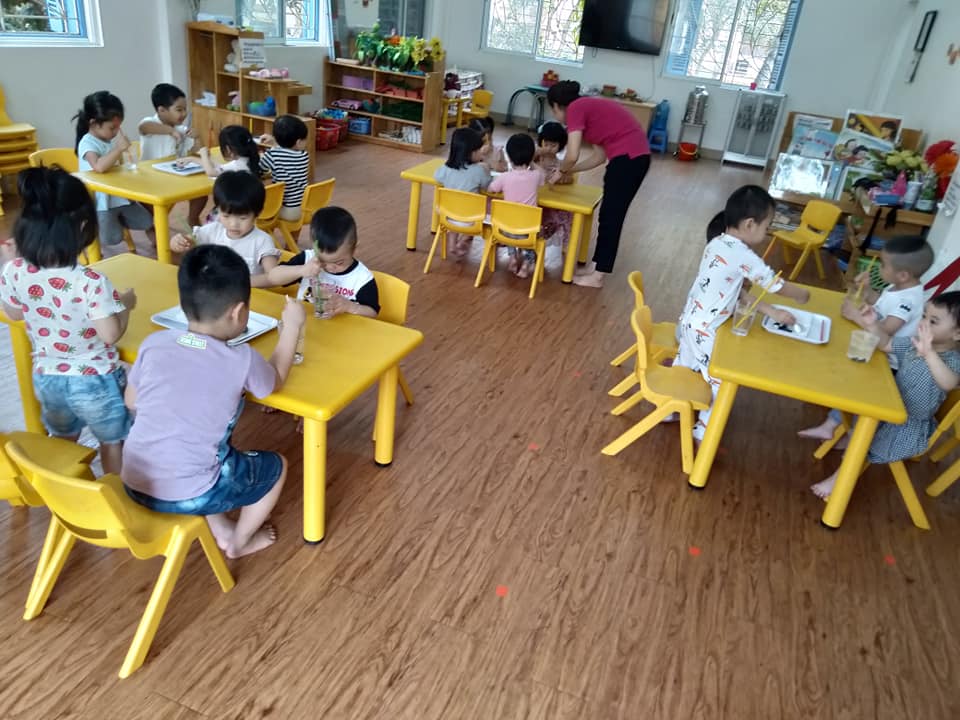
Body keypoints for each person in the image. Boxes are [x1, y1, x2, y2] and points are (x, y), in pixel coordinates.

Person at [122, 244, 305, 558]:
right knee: (275, 467)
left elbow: (132, 401)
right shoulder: (241, 358)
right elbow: (272, 382)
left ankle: (221, 529)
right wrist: (293, 328)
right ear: (238, 312)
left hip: (135, 482)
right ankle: (239, 542)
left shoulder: (154, 343)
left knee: (199, 450)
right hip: (189, 493)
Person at [0, 167, 136, 474]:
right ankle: (115, 492)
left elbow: (15, 313)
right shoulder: (90, 281)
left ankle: (61, 486)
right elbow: (110, 334)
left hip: (48, 377)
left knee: (63, 439)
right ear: (84, 226)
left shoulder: (14, 270)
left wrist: (11, 262)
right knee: (112, 442)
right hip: (94, 380)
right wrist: (125, 305)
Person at [675, 185, 811, 441]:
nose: (767, 233)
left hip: (690, 321)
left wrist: (771, 311)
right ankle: (704, 432)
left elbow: (735, 293)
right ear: (750, 224)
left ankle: (669, 409)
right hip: (707, 329)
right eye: (767, 227)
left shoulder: (717, 242)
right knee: (721, 381)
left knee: (683, 367)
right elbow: (774, 284)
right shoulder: (742, 254)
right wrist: (801, 294)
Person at [811, 293, 960, 500]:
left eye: (933, 321)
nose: (923, 324)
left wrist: (929, 354)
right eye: (924, 316)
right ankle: (852, 438)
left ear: (957, 334)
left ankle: (839, 478)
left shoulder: (952, 360)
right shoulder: (915, 343)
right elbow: (886, 344)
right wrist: (872, 324)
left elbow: (949, 382)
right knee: (861, 402)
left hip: (906, 426)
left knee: (864, 441)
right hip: (889, 407)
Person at [799, 236, 934, 444]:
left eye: (883, 264)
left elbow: (886, 330)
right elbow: (881, 302)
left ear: (903, 274)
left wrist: (856, 316)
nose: (879, 267)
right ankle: (836, 425)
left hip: (890, 365)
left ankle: (846, 433)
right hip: (875, 350)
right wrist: (867, 290)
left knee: (857, 389)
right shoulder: (899, 287)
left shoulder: (908, 300)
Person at [545, 80, 651, 288]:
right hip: (633, 159)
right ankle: (596, 267)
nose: (554, 115)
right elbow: (599, 157)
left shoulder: (575, 109)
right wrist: (569, 170)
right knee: (608, 215)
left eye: (553, 110)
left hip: (628, 160)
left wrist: (561, 171)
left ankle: (598, 276)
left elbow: (572, 155)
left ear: (557, 106)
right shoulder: (587, 108)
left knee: (612, 217)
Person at [170, 171, 319, 288]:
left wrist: (241, 282)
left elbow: (273, 277)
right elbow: (185, 246)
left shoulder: (262, 241)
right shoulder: (211, 231)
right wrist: (178, 243)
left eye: (242, 218)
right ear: (217, 210)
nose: (233, 224)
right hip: (215, 295)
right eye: (226, 216)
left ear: (257, 214)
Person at [75, 90, 156, 250]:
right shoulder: (87, 142)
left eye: (118, 127)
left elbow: (116, 166)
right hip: (101, 202)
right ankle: (91, 225)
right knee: (112, 239)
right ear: (93, 124)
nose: (116, 132)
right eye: (112, 128)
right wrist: (118, 149)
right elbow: (98, 167)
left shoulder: (108, 139)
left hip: (119, 195)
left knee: (146, 221)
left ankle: (117, 220)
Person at [285, 206, 379, 318]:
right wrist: (301, 270)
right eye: (322, 261)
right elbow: (272, 277)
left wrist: (351, 307)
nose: (329, 268)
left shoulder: (362, 278)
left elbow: (372, 313)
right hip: (304, 324)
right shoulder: (307, 260)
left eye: (339, 263)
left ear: (354, 249)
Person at [138, 82, 206, 228]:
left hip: (174, 176)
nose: (184, 114)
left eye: (185, 109)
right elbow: (144, 127)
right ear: (161, 110)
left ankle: (192, 218)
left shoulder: (182, 129)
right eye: (179, 110)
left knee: (201, 193)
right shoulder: (150, 123)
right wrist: (171, 131)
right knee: (152, 216)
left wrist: (198, 138)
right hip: (150, 179)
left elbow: (199, 153)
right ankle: (154, 229)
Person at [488, 133, 544, 279]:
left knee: (510, 226)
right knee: (535, 234)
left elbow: (491, 189)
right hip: (528, 231)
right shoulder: (535, 176)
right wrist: (532, 162)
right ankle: (526, 265)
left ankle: (512, 257)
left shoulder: (504, 177)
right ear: (531, 156)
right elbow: (543, 175)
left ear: (509, 157)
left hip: (505, 230)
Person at [434, 127, 492, 257]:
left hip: (447, 216)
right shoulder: (479, 171)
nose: (481, 153)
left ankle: (452, 244)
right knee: (486, 207)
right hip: (471, 220)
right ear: (470, 152)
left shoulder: (446, 168)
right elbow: (487, 186)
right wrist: (486, 169)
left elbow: (437, 176)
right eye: (478, 150)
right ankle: (464, 240)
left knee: (456, 207)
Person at [259, 114, 311, 221]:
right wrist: (275, 144)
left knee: (259, 207)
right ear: (298, 142)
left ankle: (264, 230)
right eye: (305, 139)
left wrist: (262, 155)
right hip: (305, 207)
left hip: (286, 210)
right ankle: (292, 233)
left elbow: (260, 169)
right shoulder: (304, 155)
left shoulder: (272, 155)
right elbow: (285, 154)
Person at [536, 121, 574, 250]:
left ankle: (563, 245)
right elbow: (526, 155)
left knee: (567, 214)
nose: (549, 148)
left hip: (552, 199)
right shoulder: (536, 157)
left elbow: (569, 178)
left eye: (553, 145)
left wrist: (560, 178)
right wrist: (539, 151)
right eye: (546, 144)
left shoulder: (560, 164)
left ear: (560, 145)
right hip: (537, 199)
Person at [195, 125, 262, 177]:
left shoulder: (237, 166)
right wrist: (193, 159)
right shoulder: (250, 159)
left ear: (228, 149)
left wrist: (204, 154)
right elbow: (218, 166)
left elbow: (211, 172)